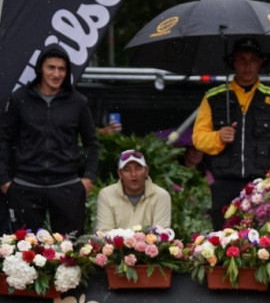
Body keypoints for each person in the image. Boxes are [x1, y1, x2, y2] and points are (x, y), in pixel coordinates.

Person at [193, 37, 270, 231]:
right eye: (242, 59)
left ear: (260, 63)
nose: (247, 65)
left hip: (262, 183)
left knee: (264, 241)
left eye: (252, 60)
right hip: (224, 183)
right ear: (232, 61)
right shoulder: (213, 97)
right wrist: (218, 137)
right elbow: (198, 138)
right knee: (224, 242)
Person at [0, 43, 99, 236]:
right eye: (51, 67)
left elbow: (91, 143)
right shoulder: (19, 99)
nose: (56, 74)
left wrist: (89, 178)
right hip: (25, 185)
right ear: (40, 69)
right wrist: (4, 179)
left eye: (62, 69)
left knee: (71, 251)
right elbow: (3, 140)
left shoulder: (78, 102)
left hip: (67, 185)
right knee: (23, 253)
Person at [95, 150, 172, 232]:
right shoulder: (106, 195)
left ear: (146, 171)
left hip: (151, 244)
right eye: (127, 169)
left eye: (138, 168)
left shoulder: (161, 196)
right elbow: (104, 233)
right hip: (115, 245)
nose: (133, 174)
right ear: (120, 173)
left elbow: (161, 235)